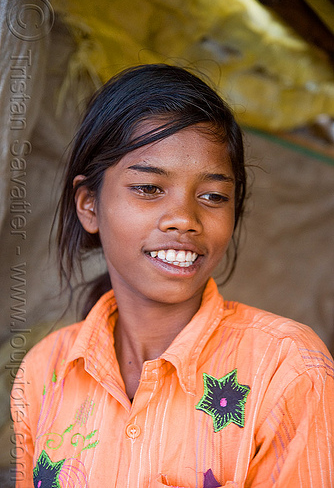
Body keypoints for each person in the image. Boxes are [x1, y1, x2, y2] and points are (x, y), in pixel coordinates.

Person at [11, 64, 333, 488]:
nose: (184, 219)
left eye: (213, 196)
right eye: (148, 188)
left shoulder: (288, 369)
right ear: (89, 205)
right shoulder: (44, 373)